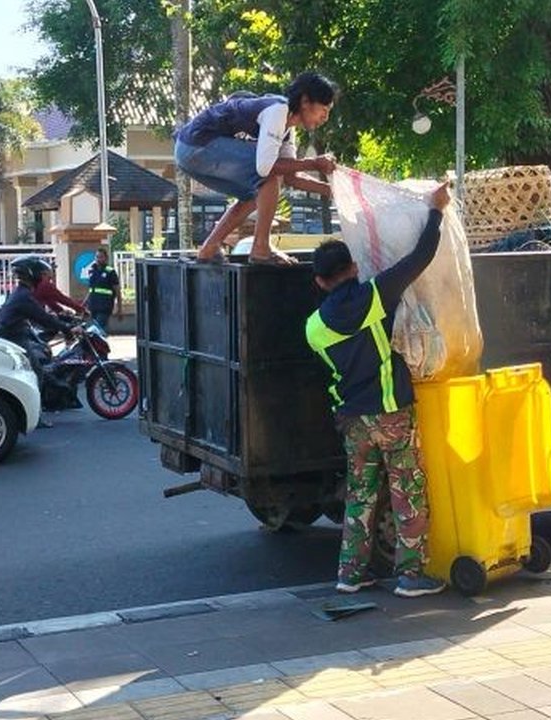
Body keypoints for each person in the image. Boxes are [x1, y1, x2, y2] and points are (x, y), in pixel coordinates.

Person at [306, 183, 450, 598]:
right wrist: (435, 211)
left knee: (360, 494)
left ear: (319, 282)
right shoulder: (374, 296)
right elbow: (420, 257)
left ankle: (350, 574)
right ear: (354, 268)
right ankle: (410, 575)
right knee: (407, 490)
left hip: (352, 420)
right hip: (391, 412)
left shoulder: (313, 329)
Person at [175, 71, 338, 265]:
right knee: (268, 176)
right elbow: (266, 168)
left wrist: (332, 190)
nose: (325, 118)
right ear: (305, 101)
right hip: (195, 144)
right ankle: (261, 248)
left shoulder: (287, 129)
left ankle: (209, 248)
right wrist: (313, 163)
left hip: (190, 153)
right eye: (324, 110)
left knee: (255, 194)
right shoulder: (278, 110)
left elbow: (290, 177)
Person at [0, 256, 79, 424]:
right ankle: (35, 416)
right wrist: (67, 329)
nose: (43, 277)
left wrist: (62, 319)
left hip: (14, 335)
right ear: (31, 274)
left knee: (40, 356)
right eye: (41, 273)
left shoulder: (23, 293)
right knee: (36, 373)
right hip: (13, 338)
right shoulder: (24, 295)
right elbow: (43, 318)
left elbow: (43, 314)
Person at [84, 247, 121, 335]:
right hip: (93, 306)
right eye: (97, 257)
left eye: (101, 257)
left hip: (104, 306)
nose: (98, 259)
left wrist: (120, 308)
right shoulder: (92, 271)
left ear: (106, 258)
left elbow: (117, 291)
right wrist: (84, 303)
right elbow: (91, 290)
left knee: (97, 330)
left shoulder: (110, 272)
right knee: (94, 332)